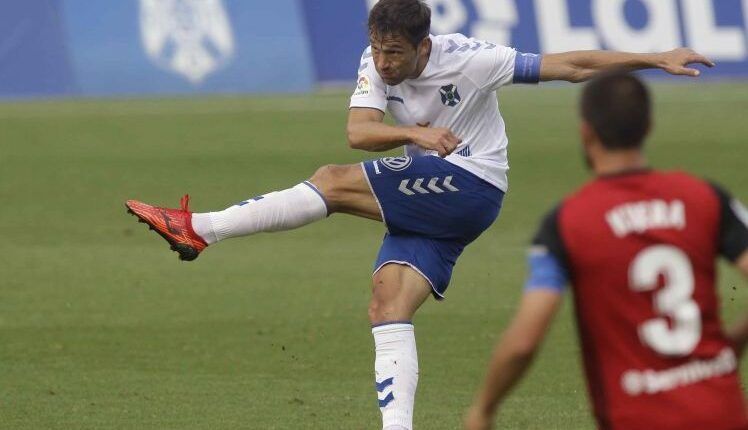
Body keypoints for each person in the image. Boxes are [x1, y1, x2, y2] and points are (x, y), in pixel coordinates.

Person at [125, 1, 715, 428]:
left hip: (473, 182)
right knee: (387, 302)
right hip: (435, 190)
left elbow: (571, 66)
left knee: (330, 183)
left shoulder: (474, 60)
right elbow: (359, 132)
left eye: (395, 53)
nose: (383, 63)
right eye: (378, 49)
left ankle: (200, 228)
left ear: (423, 47)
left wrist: (654, 57)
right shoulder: (374, 60)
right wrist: (415, 133)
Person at [464, 71, 748, 430]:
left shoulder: (567, 223)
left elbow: (524, 342)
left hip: (637, 418)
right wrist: (729, 348)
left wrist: (483, 409)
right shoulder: (705, 198)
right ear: (648, 127)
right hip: (721, 412)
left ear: (586, 133)